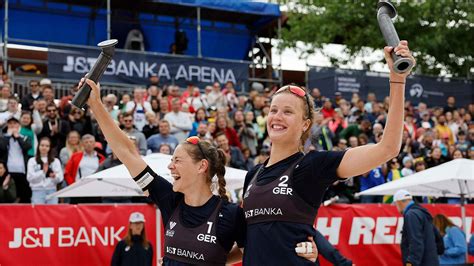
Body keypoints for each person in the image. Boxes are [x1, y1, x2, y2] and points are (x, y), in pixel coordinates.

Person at [81, 78, 318, 265]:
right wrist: (96, 105)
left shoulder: (230, 214)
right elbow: (128, 152)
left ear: (201, 167)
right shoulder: (169, 199)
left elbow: (260, 250)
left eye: (177, 161)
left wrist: (306, 250)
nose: (170, 167)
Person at [241, 41, 415, 265]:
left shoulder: (312, 166)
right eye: (273, 110)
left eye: (287, 111)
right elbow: (244, 243)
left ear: (305, 124)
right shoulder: (252, 176)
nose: (277, 116)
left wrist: (398, 79)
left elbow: (387, 148)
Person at [393, 189, 439, 266]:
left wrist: (411, 262)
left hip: (421, 262)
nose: (396, 207)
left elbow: (415, 241)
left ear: (399, 202)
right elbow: (438, 238)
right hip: (430, 260)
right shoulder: (423, 212)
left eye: (395, 204)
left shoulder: (411, 214)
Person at [27, 137, 64, 204]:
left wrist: (54, 176)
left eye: (47, 146)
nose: (44, 148)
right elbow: (30, 178)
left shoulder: (55, 161)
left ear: (50, 148)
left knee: (52, 212)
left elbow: (60, 178)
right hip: (37, 191)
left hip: (52, 190)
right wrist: (43, 172)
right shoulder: (32, 161)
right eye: (42, 145)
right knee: (38, 212)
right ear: (38, 146)